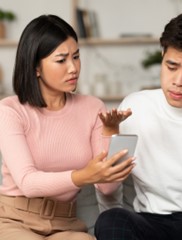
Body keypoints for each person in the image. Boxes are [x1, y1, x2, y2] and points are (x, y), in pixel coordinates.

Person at [94, 8, 182, 240]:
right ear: (162, 57)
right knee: (110, 220)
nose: (178, 82)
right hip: (150, 223)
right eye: (171, 67)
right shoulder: (136, 107)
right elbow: (112, 185)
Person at [0, 15, 135, 240]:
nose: (73, 68)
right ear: (36, 68)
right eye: (61, 60)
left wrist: (111, 132)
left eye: (76, 57)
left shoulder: (93, 107)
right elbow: (28, 183)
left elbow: (107, 188)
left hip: (66, 223)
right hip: (15, 219)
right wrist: (83, 176)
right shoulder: (10, 109)